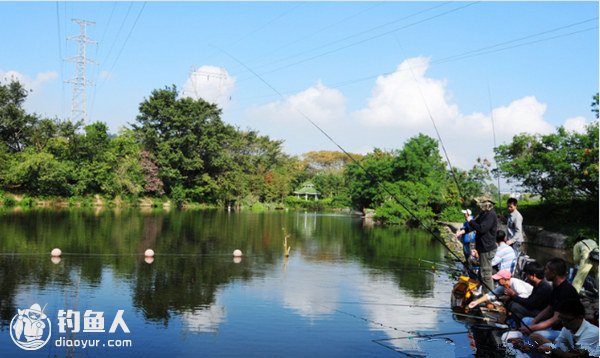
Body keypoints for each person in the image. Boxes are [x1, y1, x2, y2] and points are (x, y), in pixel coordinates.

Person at [518, 258, 581, 341]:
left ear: (554, 273)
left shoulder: (566, 291)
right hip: (554, 327)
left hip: (565, 332)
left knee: (535, 335)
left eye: (547, 269)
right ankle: (525, 345)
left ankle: (530, 352)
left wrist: (532, 328)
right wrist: (532, 324)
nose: (544, 272)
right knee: (526, 321)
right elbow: (549, 308)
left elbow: (555, 320)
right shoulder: (556, 287)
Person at [531, 299, 600, 357]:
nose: (563, 323)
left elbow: (575, 356)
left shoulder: (592, 332)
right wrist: (534, 348)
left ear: (580, 317)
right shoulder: (567, 327)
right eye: (561, 319)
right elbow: (558, 344)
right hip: (569, 352)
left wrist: (551, 350)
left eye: (567, 320)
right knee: (535, 337)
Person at [465, 196, 498, 293]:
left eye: (481, 204)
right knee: (481, 273)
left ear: (487, 204)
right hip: (481, 248)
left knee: (486, 274)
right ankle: (482, 292)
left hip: (487, 249)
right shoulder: (483, 214)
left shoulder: (491, 215)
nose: (479, 206)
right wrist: (464, 230)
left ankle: (489, 295)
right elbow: (474, 225)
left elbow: (482, 228)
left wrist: (470, 221)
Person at [468, 269, 532, 309]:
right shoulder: (503, 286)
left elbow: (525, 296)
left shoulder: (515, 283)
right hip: (523, 302)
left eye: (499, 279)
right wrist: (476, 302)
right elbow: (489, 295)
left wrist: (511, 296)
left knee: (511, 304)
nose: (497, 281)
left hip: (531, 303)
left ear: (504, 279)